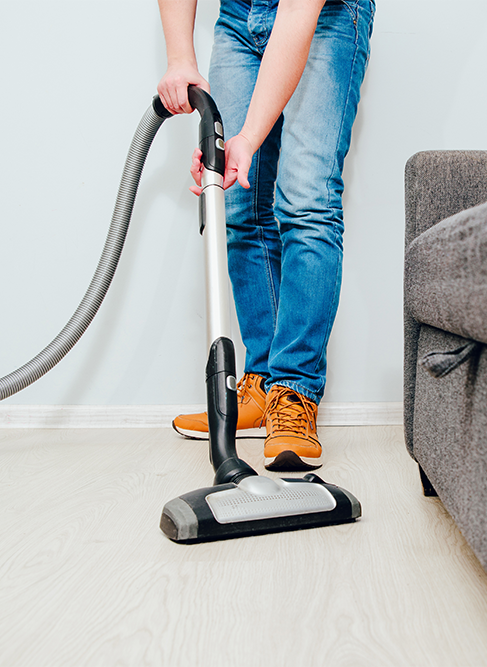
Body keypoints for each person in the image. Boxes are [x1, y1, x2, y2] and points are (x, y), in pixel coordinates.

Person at [156, 0, 374, 471]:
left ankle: (294, 390)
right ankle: (261, 380)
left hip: (325, 16)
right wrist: (180, 58)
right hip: (238, 18)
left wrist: (248, 139)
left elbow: (298, 9)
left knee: (306, 199)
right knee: (237, 206)